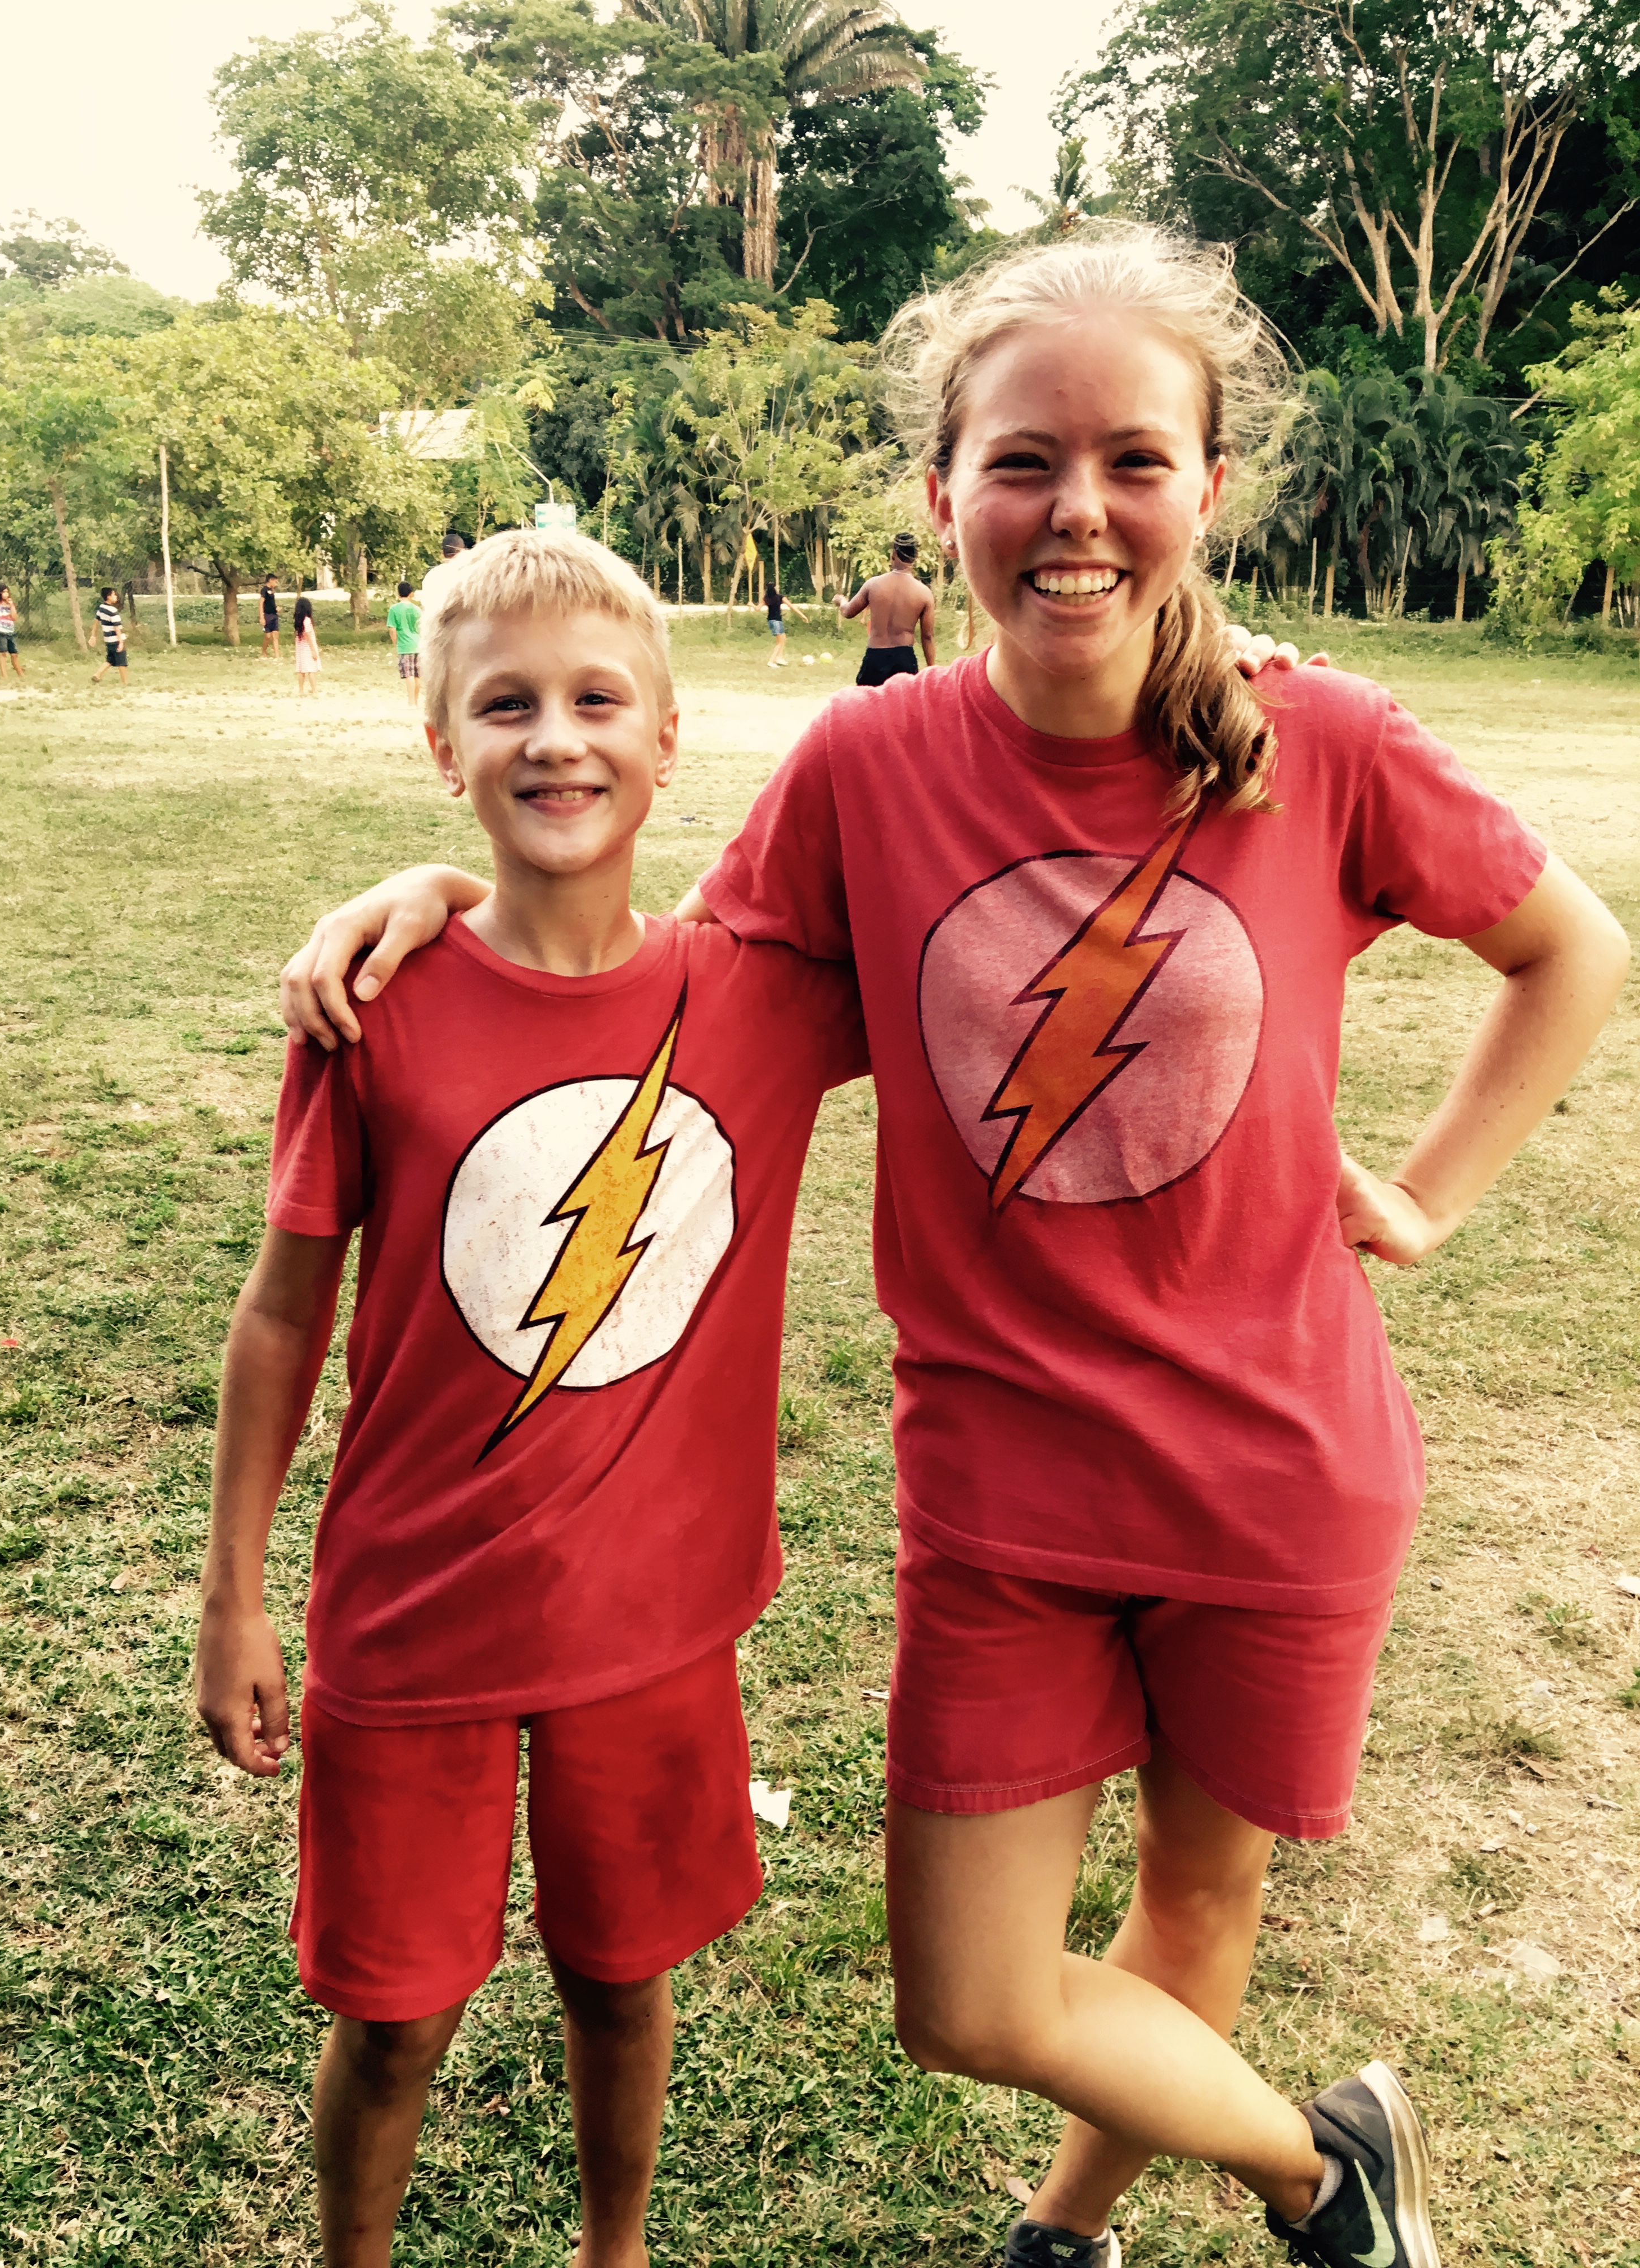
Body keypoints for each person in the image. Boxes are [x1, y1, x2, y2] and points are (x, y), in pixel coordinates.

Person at [274, 225, 1629, 2268]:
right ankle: (1317, 2167)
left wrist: (1426, 1195)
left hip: (1277, 1469)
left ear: (1204, 486)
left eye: (1131, 460)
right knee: (969, 1998)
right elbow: (664, 990)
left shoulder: (1321, 739)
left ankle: (1064, 2234)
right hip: (1000, 1483)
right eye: (1020, 461)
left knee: (1196, 1895)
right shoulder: (868, 763)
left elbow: (1566, 952)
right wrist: (436, 897)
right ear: (941, 491)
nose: (1075, 508)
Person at [196, 528, 864, 2268]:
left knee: (619, 1979)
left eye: (596, 702)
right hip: (410, 1618)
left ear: (668, 739)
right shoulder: (376, 1005)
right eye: (505, 708)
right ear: (443, 747)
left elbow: (996, 879)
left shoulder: (766, 1001)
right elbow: (280, 1317)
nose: (556, 740)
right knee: (394, 2020)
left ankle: (613, 2252)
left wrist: (1201, 682)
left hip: (652, 1622)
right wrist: (232, 1595)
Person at [840, 533, 936, 685]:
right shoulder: (924, 593)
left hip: (875, 657)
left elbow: (848, 612)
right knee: (903, 701)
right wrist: (932, 670)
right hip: (905, 659)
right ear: (915, 558)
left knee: (869, 700)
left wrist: (841, 601)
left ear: (893, 555)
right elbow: (928, 637)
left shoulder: (873, 584)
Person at [384, 579, 422, 705]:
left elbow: (392, 629)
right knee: (417, 675)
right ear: (411, 593)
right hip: (418, 644)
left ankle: (411, 702)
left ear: (399, 593)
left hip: (405, 645)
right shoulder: (417, 610)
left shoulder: (394, 609)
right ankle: (416, 701)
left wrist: (395, 642)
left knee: (409, 674)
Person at [763, 579, 808, 667]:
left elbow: (757, 609)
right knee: (780, 643)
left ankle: (779, 658)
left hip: (771, 621)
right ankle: (771, 661)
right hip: (777, 621)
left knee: (783, 638)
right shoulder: (780, 597)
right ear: (775, 587)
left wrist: (751, 605)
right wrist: (802, 615)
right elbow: (792, 606)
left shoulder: (766, 598)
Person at [0, 584, 26, 682]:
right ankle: (4, 676)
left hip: (10, 631)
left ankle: (21, 675)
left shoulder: (10, 604)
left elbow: (15, 618)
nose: (6, 594)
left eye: (7, 592)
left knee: (14, 654)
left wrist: (11, 606)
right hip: (0, 631)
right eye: (4, 592)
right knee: (3, 652)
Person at [88, 586, 128, 687]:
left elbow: (96, 623)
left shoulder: (102, 608)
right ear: (109, 597)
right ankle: (125, 682)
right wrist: (121, 642)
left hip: (108, 639)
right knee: (122, 661)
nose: (116, 597)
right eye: (114, 595)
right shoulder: (113, 611)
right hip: (115, 639)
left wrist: (93, 636)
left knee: (111, 659)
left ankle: (97, 675)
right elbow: (117, 628)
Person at [293, 595, 321, 697]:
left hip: (300, 649)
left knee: (301, 670)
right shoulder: (307, 621)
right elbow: (309, 636)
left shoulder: (299, 621)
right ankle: (314, 691)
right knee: (311, 670)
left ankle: (301, 691)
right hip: (308, 648)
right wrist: (314, 650)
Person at [260, 574, 281, 660]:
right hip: (267, 615)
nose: (276, 583)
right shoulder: (264, 590)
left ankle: (277, 655)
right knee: (268, 636)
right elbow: (261, 604)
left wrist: (276, 608)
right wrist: (262, 617)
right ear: (270, 580)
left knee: (275, 635)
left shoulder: (272, 591)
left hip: (274, 615)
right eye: (275, 581)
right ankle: (264, 652)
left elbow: (271, 603)